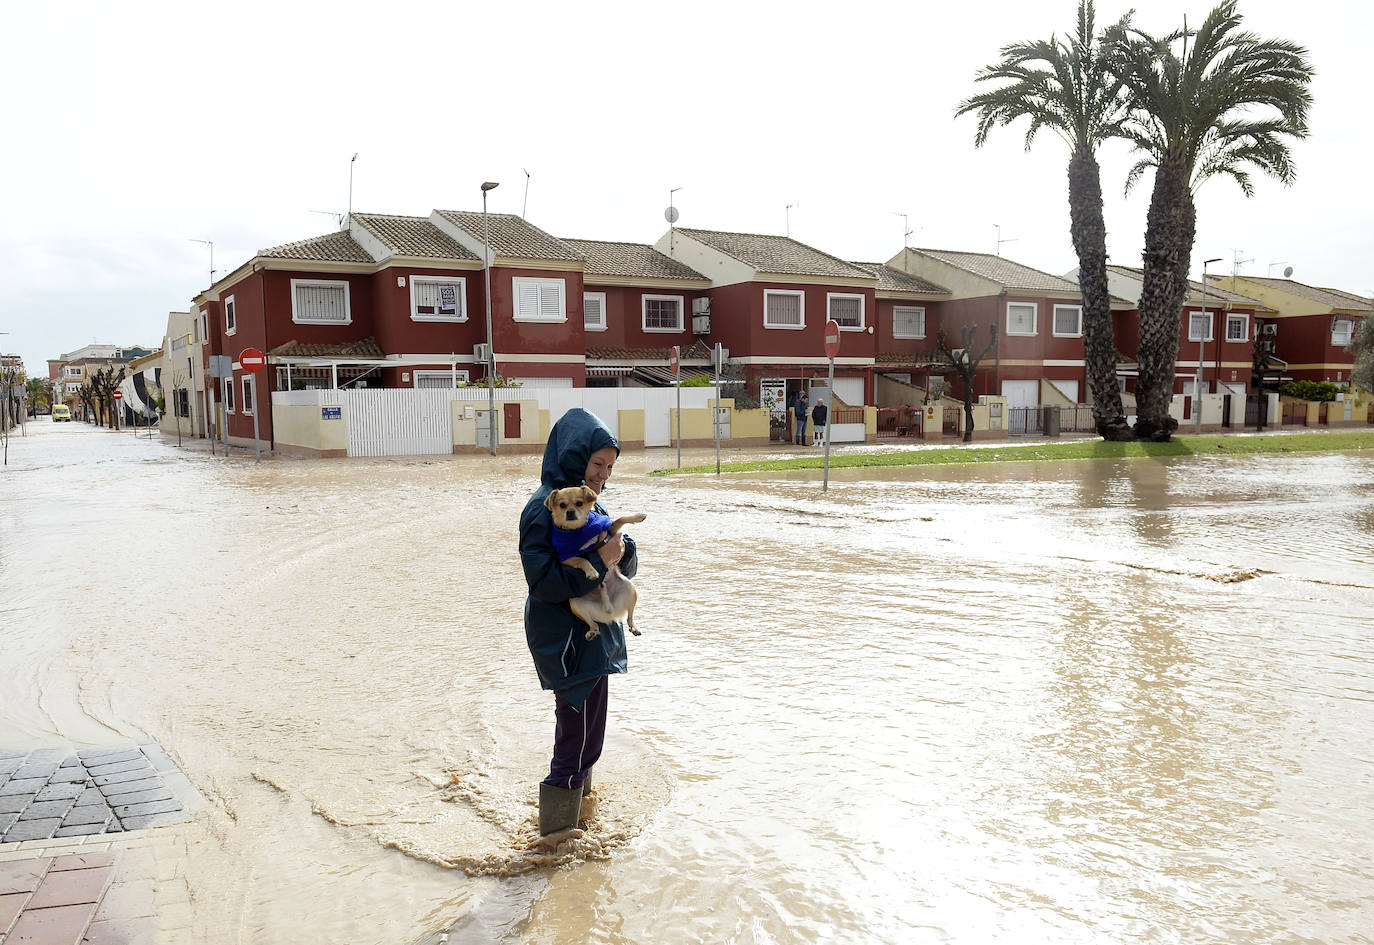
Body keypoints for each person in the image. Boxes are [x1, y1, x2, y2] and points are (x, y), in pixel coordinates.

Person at [519, 408, 639, 845]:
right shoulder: (545, 507)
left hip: (595, 638)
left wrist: (618, 555)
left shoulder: (592, 500)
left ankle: (577, 823)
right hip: (565, 640)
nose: (604, 475)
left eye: (610, 466)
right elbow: (543, 582)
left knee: (589, 739)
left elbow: (629, 557)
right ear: (573, 458)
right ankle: (553, 843)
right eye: (597, 465)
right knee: (575, 741)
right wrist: (598, 560)